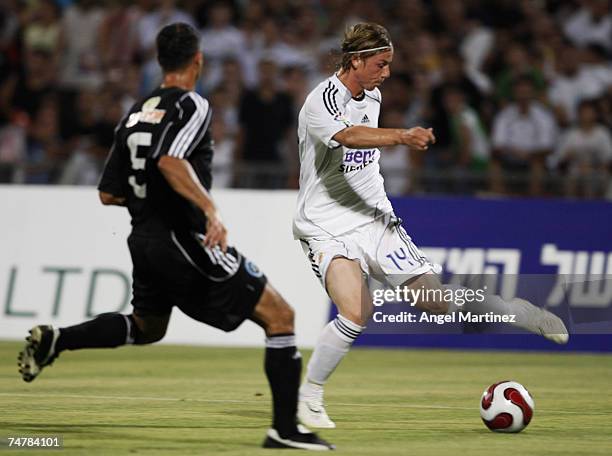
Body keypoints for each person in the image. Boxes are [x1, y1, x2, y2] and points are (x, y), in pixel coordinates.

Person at [17, 23, 333, 452]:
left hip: (143, 238)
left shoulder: (134, 111)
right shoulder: (192, 103)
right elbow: (169, 160)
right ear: (197, 61)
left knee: (148, 327)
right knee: (280, 317)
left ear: (160, 60)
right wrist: (210, 212)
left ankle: (60, 339)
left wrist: (148, 201)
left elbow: (108, 193)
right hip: (183, 238)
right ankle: (284, 430)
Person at [293, 22, 569, 430]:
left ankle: (517, 312)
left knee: (434, 302)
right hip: (325, 225)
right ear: (356, 61)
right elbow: (349, 137)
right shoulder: (321, 101)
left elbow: (360, 140)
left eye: (389, 65)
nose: (386, 74)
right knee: (356, 310)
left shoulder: (372, 95)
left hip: (375, 219)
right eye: (381, 64)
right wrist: (403, 137)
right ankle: (309, 396)